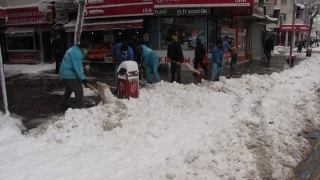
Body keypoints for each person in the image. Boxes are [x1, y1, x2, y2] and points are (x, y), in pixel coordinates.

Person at [57, 40, 90, 109]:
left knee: (69, 89)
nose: (86, 51)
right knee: (79, 90)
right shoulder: (77, 54)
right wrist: (83, 79)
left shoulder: (74, 49)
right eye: (86, 49)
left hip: (66, 72)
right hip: (68, 73)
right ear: (83, 47)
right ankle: (78, 107)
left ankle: (62, 103)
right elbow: (78, 68)